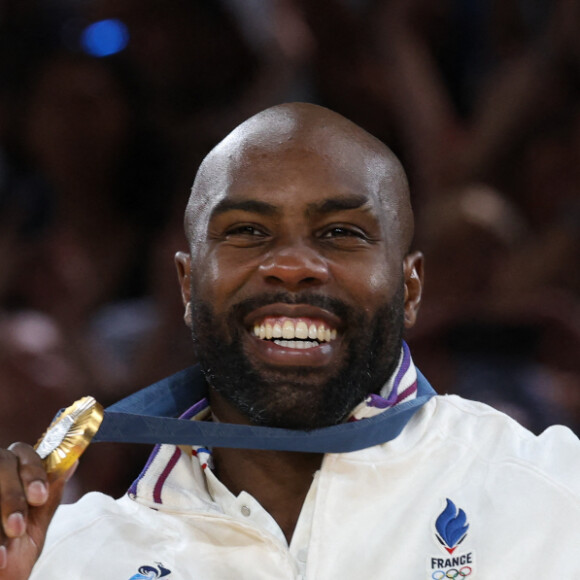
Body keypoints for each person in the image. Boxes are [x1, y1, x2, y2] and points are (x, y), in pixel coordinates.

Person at [1, 102, 580, 579]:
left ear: (410, 288)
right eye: (247, 231)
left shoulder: (552, 498)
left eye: (341, 232)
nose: (292, 265)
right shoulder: (67, 557)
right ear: (186, 284)